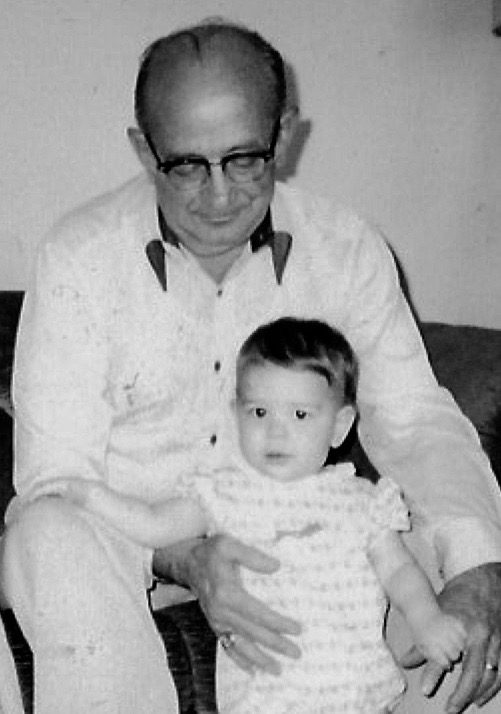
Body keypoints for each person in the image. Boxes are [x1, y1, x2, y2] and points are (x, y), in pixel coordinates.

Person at [1, 16, 501, 714]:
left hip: (306, 546)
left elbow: (414, 419)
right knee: (46, 534)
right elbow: (54, 479)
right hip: (131, 557)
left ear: (284, 135)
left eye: (244, 159)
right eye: (186, 165)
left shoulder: (345, 247)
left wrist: (478, 569)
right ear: (143, 150)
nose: (218, 196)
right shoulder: (79, 257)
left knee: (470, 614)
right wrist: (184, 558)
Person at [24, 317, 468, 714]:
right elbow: (152, 524)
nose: (276, 430)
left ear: (339, 425)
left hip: (359, 695)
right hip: (263, 700)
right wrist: (88, 495)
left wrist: (427, 619)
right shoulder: (223, 493)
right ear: (236, 414)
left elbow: (399, 571)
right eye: (259, 412)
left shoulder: (363, 502)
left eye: (300, 414)